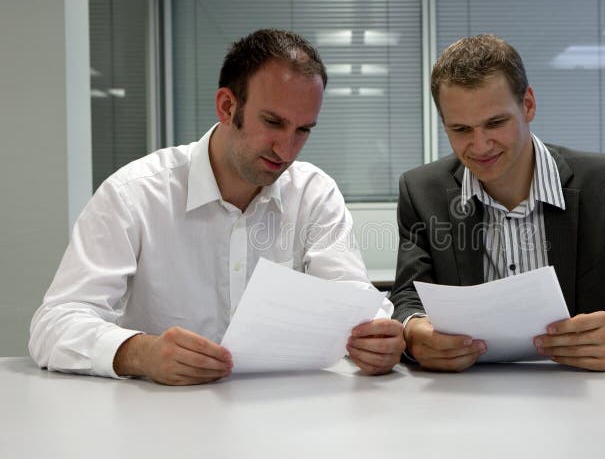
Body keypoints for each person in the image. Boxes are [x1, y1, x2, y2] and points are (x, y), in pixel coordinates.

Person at [30, 28, 405, 385]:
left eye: (303, 130)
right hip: (161, 421)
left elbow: (355, 304)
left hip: (285, 417)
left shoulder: (314, 194)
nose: (287, 149)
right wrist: (140, 353)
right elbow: (55, 323)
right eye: (273, 122)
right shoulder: (134, 195)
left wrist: (378, 340)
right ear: (227, 106)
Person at [390, 34, 605, 372]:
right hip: (468, 401)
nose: (480, 145)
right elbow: (409, 299)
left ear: (528, 105)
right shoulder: (422, 192)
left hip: (588, 399)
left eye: (495, 123)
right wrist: (415, 333)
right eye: (461, 129)